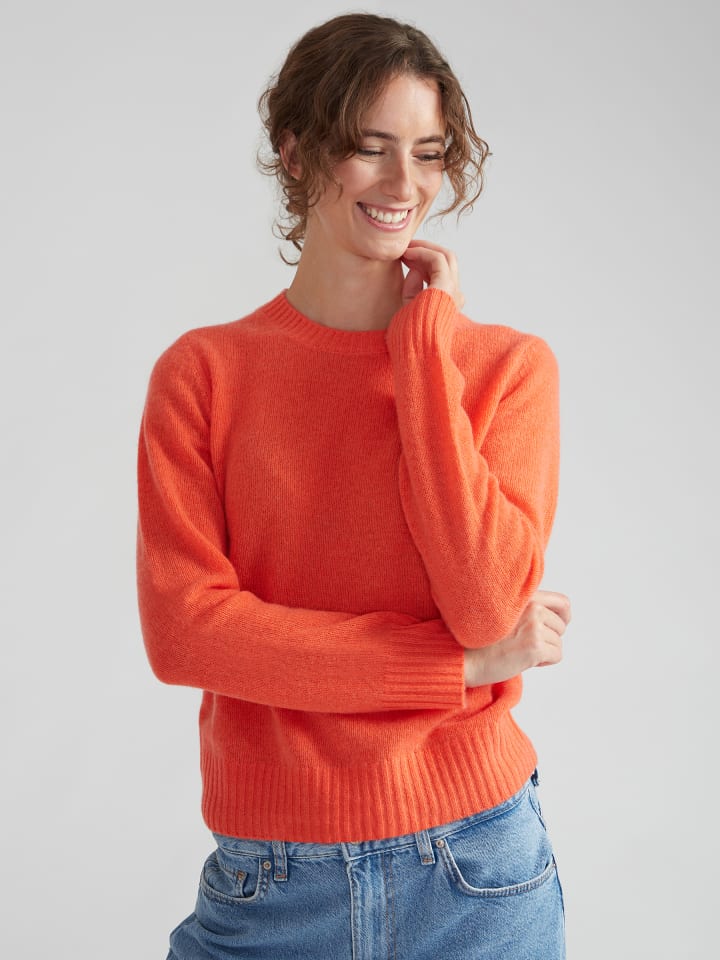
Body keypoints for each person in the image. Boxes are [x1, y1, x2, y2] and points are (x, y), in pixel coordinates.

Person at [137, 12, 571, 959]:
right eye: (370, 149)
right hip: (270, 885)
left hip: (476, 871)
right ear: (296, 153)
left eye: (429, 152)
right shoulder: (204, 374)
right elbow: (187, 633)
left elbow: (485, 601)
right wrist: (455, 670)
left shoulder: (506, 370)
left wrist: (423, 353)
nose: (404, 184)